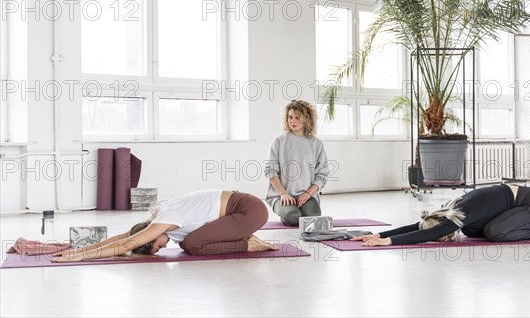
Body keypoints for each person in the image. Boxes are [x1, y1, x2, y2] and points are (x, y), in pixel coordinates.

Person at [53, 190, 277, 262]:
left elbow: (128, 243)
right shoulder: (155, 224)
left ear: (150, 237)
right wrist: (80, 250)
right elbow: (126, 235)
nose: (161, 248)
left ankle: (251, 244)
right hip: (243, 209)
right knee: (188, 242)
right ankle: (246, 240)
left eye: (155, 247)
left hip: (249, 211)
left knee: (193, 245)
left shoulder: (165, 220)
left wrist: (80, 258)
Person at [352, 184, 530, 246]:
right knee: (476, 231)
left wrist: (388, 241)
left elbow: (426, 234)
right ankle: (523, 225)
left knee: (495, 233)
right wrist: (380, 234)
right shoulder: (447, 213)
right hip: (513, 207)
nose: (440, 238)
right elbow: (419, 227)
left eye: (438, 234)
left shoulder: (459, 214)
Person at [264, 100, 329, 226]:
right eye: (290, 117)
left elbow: (322, 174)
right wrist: (283, 193)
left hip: (306, 195)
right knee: (294, 217)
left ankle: (297, 209)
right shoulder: (279, 141)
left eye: (297, 117)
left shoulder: (316, 144)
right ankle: (287, 213)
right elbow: (270, 170)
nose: (292, 121)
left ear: (306, 119)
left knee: (312, 216)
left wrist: (308, 193)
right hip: (281, 195)